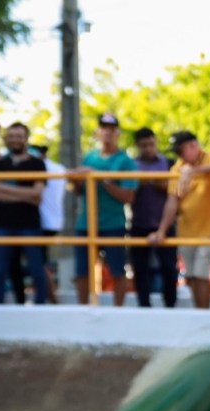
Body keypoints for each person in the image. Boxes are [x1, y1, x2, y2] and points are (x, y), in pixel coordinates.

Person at [68, 113, 138, 306]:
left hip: (113, 224)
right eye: (103, 128)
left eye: (111, 129)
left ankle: (118, 311)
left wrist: (99, 177)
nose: (107, 132)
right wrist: (75, 180)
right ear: (97, 132)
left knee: (117, 270)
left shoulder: (125, 161)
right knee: (82, 271)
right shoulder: (89, 157)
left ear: (117, 133)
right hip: (86, 224)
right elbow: (79, 191)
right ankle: (83, 309)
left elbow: (128, 196)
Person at [149, 130, 210, 309]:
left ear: (193, 146)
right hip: (187, 231)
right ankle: (199, 313)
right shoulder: (177, 168)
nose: (178, 155)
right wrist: (162, 230)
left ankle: (204, 315)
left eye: (180, 151)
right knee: (191, 277)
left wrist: (193, 171)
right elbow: (172, 201)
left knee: (201, 275)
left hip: (209, 230)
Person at [0, 122, 48, 305]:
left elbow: (37, 195)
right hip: (1, 224)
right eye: (11, 136)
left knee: (37, 269)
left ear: (26, 139)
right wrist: (25, 195)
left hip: (30, 224)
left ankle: (41, 306)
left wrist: (2, 190)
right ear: (6, 139)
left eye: (19, 136)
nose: (15, 140)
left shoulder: (37, 164)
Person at [129, 128, 177, 308]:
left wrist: (154, 182)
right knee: (140, 269)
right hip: (139, 224)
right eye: (144, 146)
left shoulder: (169, 162)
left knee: (169, 269)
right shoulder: (131, 164)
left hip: (165, 224)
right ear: (137, 146)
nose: (148, 148)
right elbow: (129, 189)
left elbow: (173, 188)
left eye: (151, 144)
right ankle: (144, 306)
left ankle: (170, 305)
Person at [30, 143, 66, 304]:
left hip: (42, 222)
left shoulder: (42, 168)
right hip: (52, 222)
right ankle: (50, 298)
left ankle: (49, 299)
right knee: (41, 263)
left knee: (39, 264)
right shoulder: (59, 168)